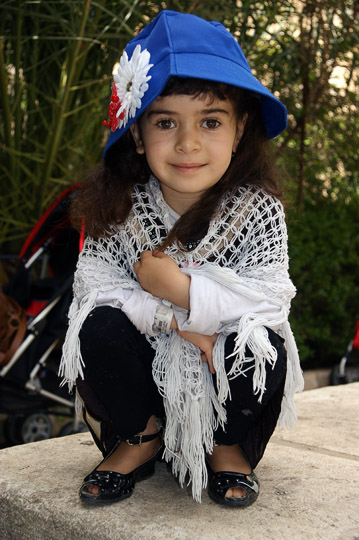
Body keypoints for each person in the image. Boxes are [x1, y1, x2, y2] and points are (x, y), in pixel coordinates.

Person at [60, 9, 303, 508]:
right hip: (145, 372)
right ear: (136, 133)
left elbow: (270, 298)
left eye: (210, 121)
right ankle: (141, 436)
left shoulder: (257, 211)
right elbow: (95, 288)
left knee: (262, 346)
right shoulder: (122, 206)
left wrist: (181, 289)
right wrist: (178, 319)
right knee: (97, 328)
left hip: (224, 390)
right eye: (165, 121)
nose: (188, 143)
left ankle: (225, 445)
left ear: (238, 132)